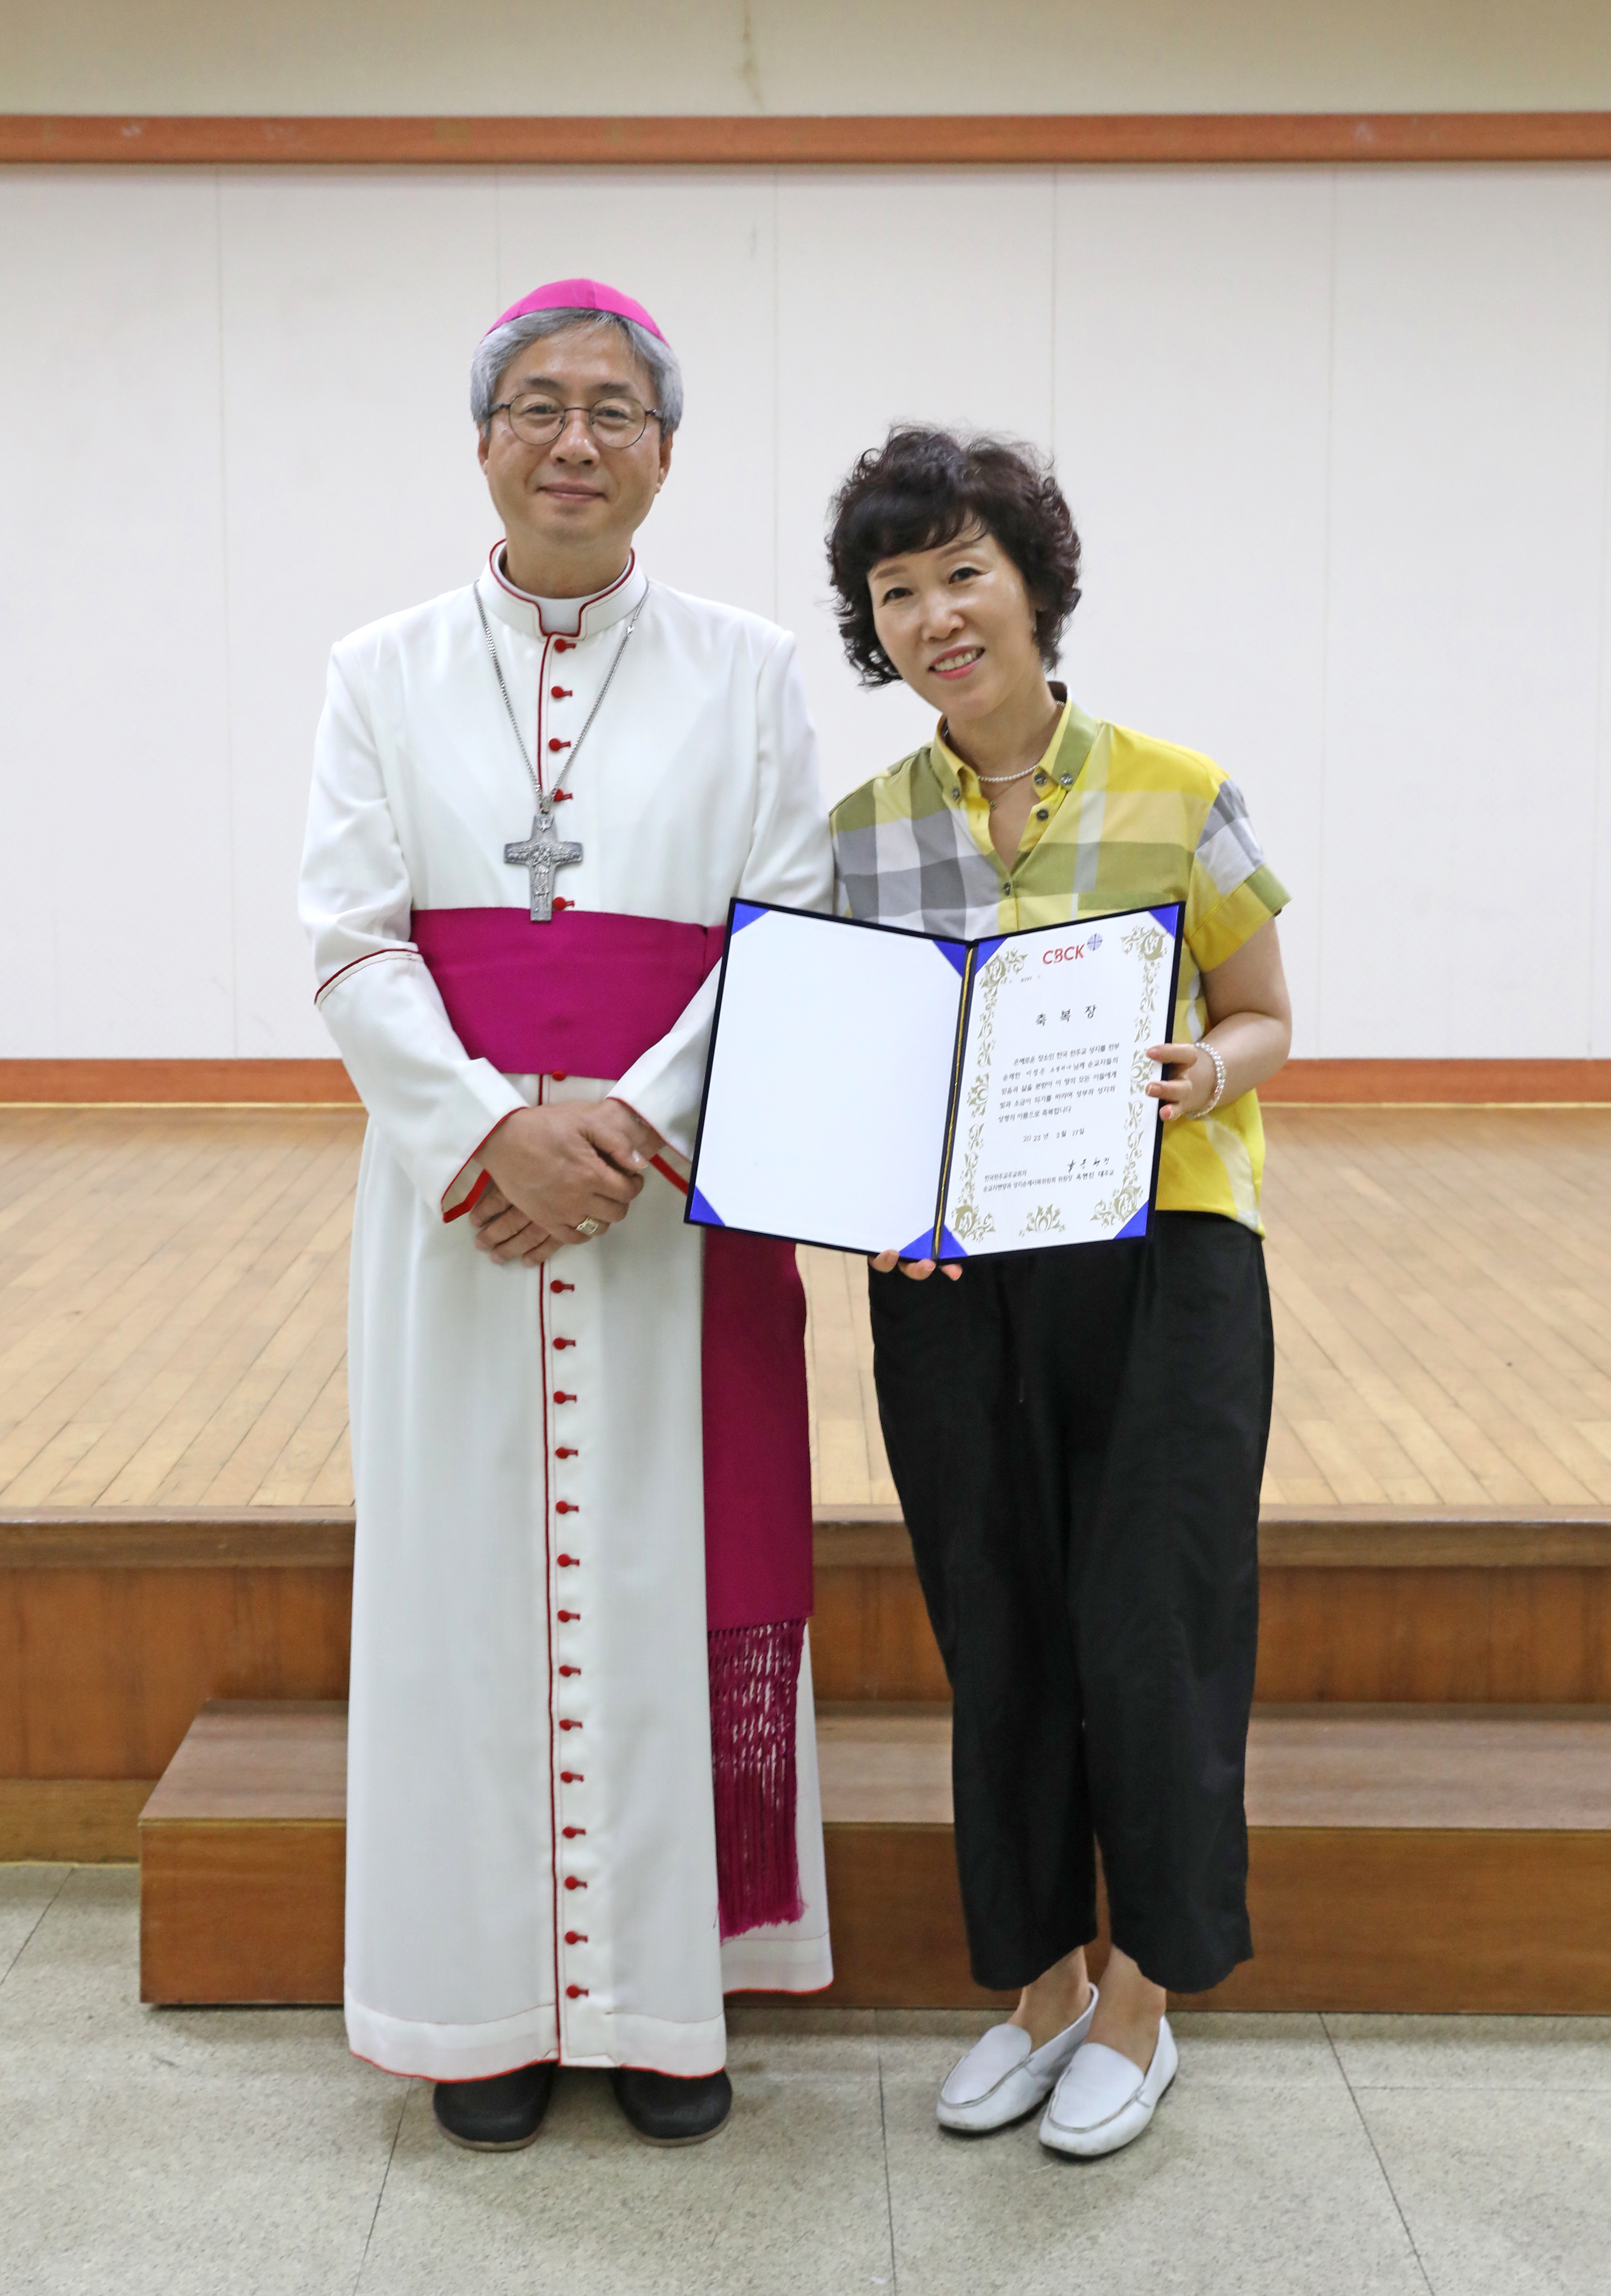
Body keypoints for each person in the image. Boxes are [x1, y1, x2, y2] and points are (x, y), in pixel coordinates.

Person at [299, 278, 833, 2153]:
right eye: (538, 405)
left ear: (665, 454)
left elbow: (784, 929)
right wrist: (487, 1133)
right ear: (484, 443)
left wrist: (617, 1130)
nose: (575, 439)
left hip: (668, 1211)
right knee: (463, 1600)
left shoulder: (752, 668)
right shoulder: (377, 670)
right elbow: (349, 939)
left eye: (615, 409)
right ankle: (479, 2009)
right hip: (461, 1218)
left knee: (669, 1572)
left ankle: (664, 2004)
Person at [826, 428, 1292, 2158]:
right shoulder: (861, 833)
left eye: (964, 572)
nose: (936, 615)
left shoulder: (1178, 788)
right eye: (898, 591)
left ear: (1033, 587)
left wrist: (1206, 1071)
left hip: (1167, 1256)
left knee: (1152, 1628)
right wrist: (869, 1196)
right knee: (996, 1623)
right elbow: (861, 1067)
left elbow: (1263, 1013)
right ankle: (1039, 1987)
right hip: (954, 1276)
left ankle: (1141, 2006)